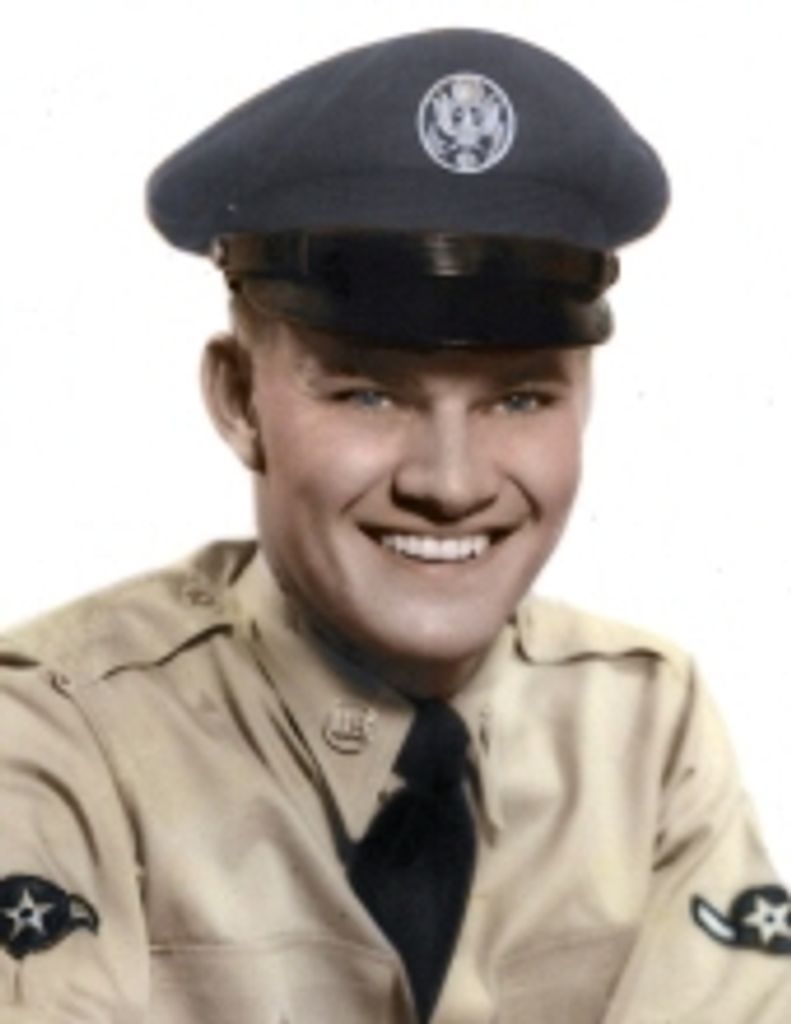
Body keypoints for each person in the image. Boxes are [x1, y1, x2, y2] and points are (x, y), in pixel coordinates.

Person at [0, 26, 788, 1023]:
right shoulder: (63, 730)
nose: (450, 485)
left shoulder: (640, 725)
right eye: (367, 394)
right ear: (239, 400)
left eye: (520, 398)